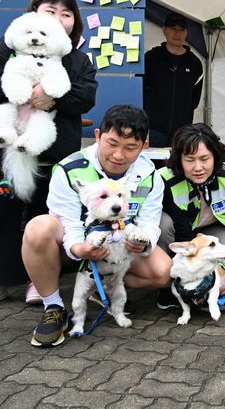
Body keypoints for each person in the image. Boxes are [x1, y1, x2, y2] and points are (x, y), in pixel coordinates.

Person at [21, 105, 171, 348]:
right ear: (98, 135)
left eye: (131, 147)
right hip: (73, 247)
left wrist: (143, 242)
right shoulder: (69, 168)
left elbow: (149, 222)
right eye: (112, 143)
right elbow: (67, 220)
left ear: (145, 145)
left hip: (118, 248)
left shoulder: (150, 173)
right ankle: (54, 307)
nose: (119, 155)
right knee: (39, 228)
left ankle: (101, 289)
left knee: (163, 272)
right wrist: (79, 249)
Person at [0, 0, 98, 304]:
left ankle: (40, 281)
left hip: (56, 156)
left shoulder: (79, 60)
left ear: (75, 22)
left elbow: (86, 97)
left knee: (49, 219)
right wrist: (24, 93)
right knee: (5, 215)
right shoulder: (7, 51)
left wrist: (53, 96)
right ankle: (5, 278)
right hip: (10, 150)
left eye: (66, 13)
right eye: (50, 10)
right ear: (33, 13)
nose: (58, 18)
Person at [155, 123, 225, 309]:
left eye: (204, 159)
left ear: (215, 157)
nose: (198, 167)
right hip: (179, 233)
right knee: (162, 224)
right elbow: (182, 233)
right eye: (190, 159)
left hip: (211, 231)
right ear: (179, 159)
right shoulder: (164, 179)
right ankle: (170, 288)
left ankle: (213, 283)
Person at [143, 12, 204, 147]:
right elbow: (141, 91)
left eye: (181, 30)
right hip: (153, 129)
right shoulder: (151, 58)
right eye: (173, 29)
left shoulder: (195, 63)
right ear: (164, 30)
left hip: (182, 130)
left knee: (179, 166)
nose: (177, 33)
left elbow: (194, 99)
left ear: (186, 32)